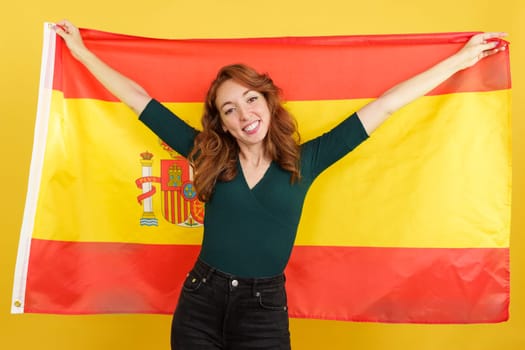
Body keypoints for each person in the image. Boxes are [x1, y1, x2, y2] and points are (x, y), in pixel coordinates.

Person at [54, 20, 506, 350]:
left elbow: (386, 107)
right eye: (229, 109)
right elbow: (140, 101)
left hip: (263, 309)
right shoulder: (207, 154)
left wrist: (462, 59)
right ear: (223, 124)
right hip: (200, 302)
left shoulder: (306, 161)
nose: (244, 113)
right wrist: (81, 53)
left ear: (268, 104)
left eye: (251, 99)